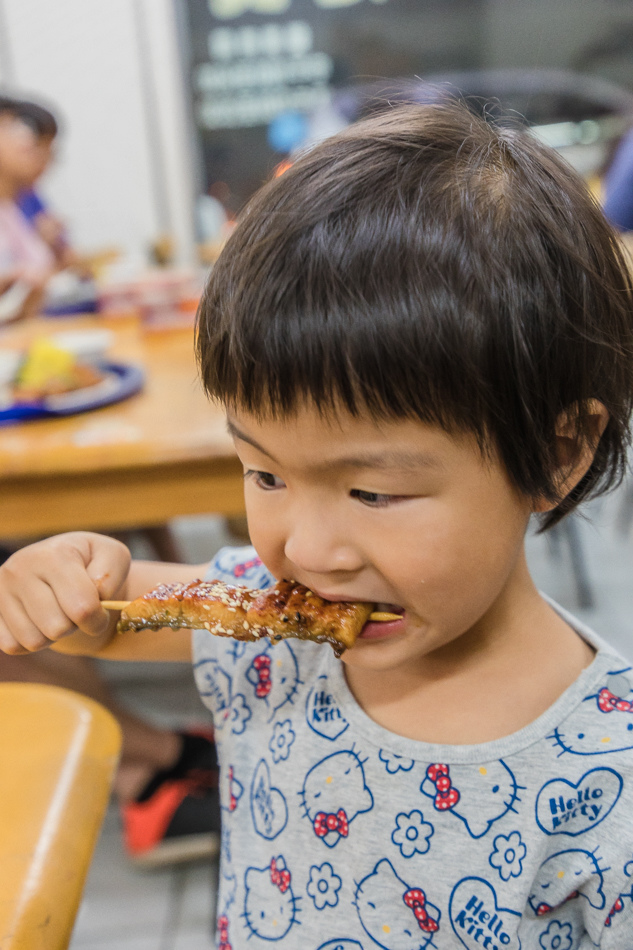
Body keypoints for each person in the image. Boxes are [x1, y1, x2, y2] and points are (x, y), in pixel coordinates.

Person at [0, 100, 632, 945]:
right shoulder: (269, 627)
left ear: (558, 454)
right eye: (263, 472)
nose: (301, 549)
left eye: (371, 492)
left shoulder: (609, 777)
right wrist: (59, 574)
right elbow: (98, 623)